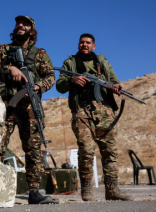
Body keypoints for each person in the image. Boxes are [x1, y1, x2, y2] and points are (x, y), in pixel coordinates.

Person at [0, 15, 58, 204]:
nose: (20, 25)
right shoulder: (1, 50)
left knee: (33, 150)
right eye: (18, 23)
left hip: (29, 107)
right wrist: (9, 69)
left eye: (25, 24)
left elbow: (51, 76)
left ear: (31, 30)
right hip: (4, 105)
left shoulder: (40, 54)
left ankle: (34, 192)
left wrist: (37, 87)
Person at [55, 33, 132, 201]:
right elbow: (60, 86)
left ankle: (112, 190)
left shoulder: (102, 62)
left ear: (93, 46)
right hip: (82, 111)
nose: (84, 45)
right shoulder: (70, 63)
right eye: (82, 42)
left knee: (110, 151)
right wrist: (72, 81)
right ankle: (87, 190)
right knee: (86, 151)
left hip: (105, 111)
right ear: (78, 45)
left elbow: (114, 79)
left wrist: (116, 86)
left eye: (88, 43)